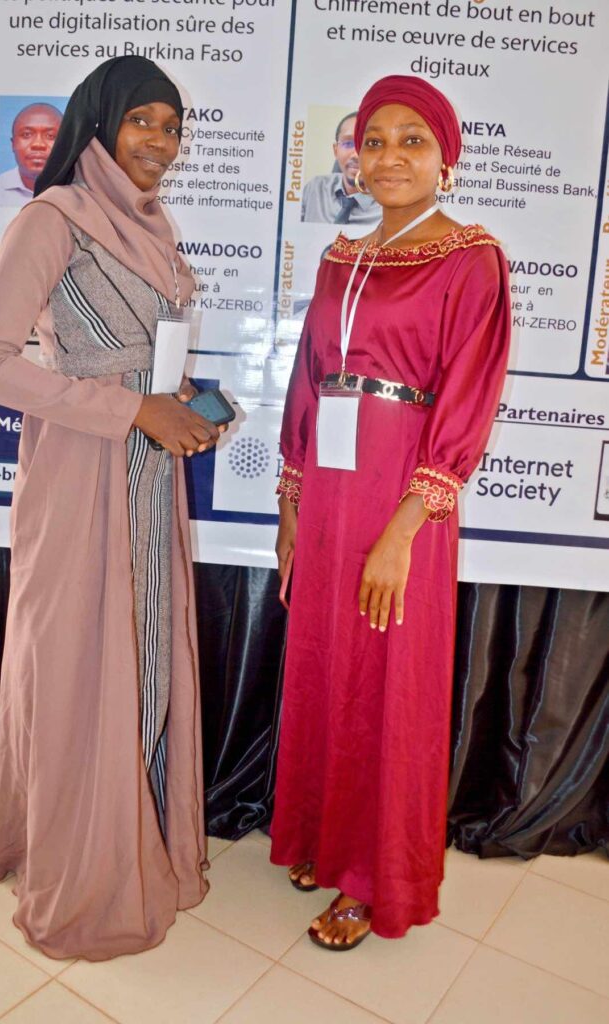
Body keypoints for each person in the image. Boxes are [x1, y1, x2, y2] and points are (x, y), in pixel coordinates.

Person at [0, 56, 223, 961]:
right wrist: (129, 408)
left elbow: (142, 356)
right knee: (79, 663)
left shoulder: (153, 227)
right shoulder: (53, 217)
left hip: (148, 476)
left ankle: (140, 841)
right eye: (144, 121)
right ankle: (80, 867)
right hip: (78, 473)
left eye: (173, 126)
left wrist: (180, 403)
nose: (161, 142)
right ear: (100, 124)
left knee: (144, 652)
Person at [271, 75, 511, 950]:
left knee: (388, 680)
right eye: (375, 139)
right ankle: (324, 841)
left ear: (445, 159)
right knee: (328, 664)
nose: (391, 155)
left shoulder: (472, 257)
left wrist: (405, 529)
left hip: (404, 493)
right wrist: (292, 505)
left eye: (413, 139)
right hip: (330, 491)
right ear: (355, 158)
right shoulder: (341, 258)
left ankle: (377, 878)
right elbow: (307, 385)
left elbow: (466, 403)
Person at [301, 111, 380, 227]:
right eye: (348, 143)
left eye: (369, 144)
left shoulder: (392, 209)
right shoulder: (314, 188)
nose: (356, 155)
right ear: (335, 150)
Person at [0, 102, 63, 206]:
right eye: (27, 134)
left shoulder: (79, 194)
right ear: (13, 144)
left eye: (50, 136)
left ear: (65, 144)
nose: (38, 144)